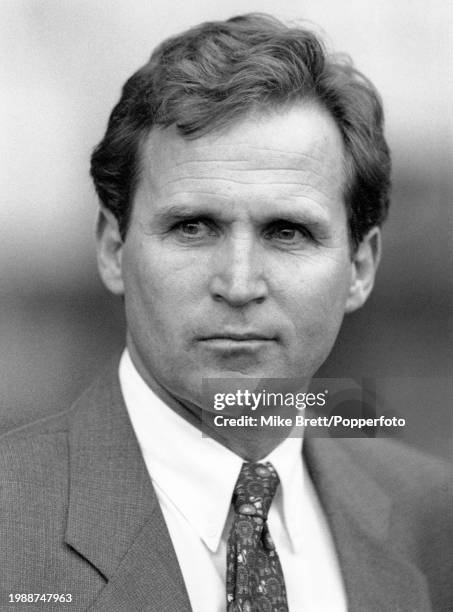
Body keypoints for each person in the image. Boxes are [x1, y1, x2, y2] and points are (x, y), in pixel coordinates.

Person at [1, 13, 452, 612]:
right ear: (113, 249)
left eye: (287, 232)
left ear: (361, 268)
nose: (239, 284)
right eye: (192, 227)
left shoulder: (433, 516)